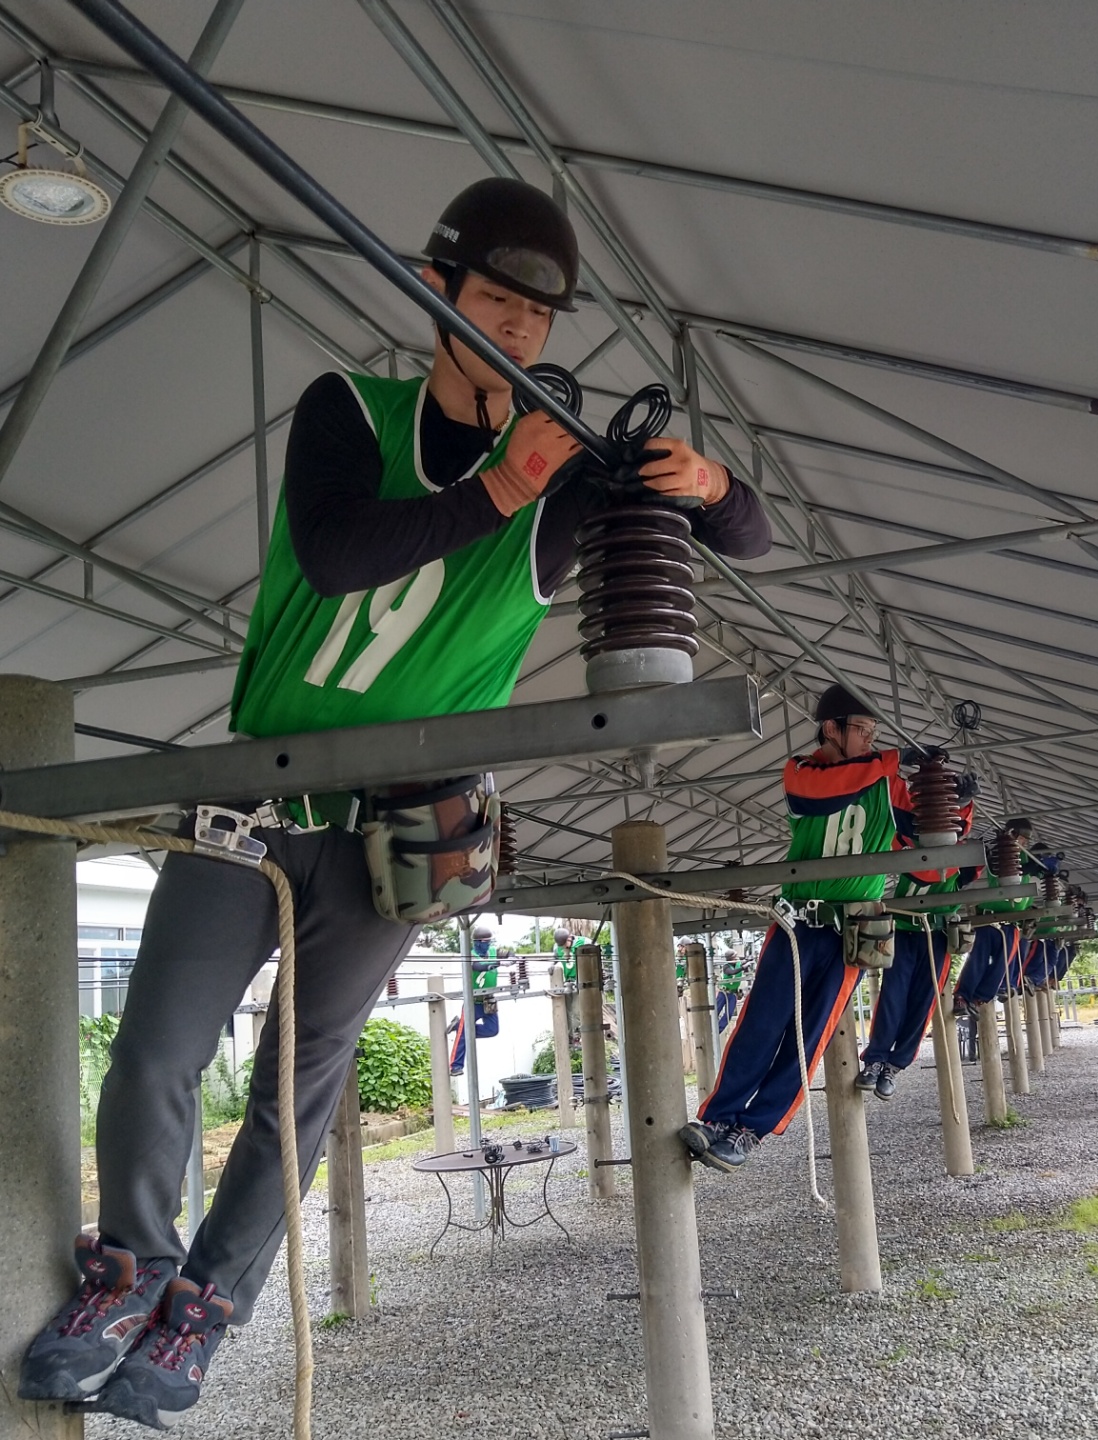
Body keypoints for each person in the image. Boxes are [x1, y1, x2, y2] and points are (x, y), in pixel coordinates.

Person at [20, 176, 770, 1429]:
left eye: (539, 314)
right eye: (494, 300)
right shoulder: (350, 409)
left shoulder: (568, 481)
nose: (517, 327)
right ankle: (131, 1270)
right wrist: (500, 488)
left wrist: (711, 484)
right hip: (253, 795)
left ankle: (205, 1306)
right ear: (437, 293)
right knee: (156, 1048)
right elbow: (335, 553)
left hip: (401, 834)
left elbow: (747, 539)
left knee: (298, 1089)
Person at [678, 685, 904, 1172]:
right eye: (863, 729)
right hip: (798, 923)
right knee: (761, 1023)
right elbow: (821, 795)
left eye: (874, 731)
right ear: (831, 729)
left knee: (809, 1037)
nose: (871, 739)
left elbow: (927, 830)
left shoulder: (887, 782)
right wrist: (890, 761)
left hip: (852, 932)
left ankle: (750, 1130)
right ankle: (716, 1118)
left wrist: (952, 796)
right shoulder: (802, 772)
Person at [856, 765, 976, 1099]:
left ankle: (893, 1065)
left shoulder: (961, 858)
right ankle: (876, 1060)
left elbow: (968, 847)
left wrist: (963, 806)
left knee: (923, 1002)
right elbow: (901, 823)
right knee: (893, 998)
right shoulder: (910, 847)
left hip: (936, 937)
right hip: (906, 931)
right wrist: (892, 770)